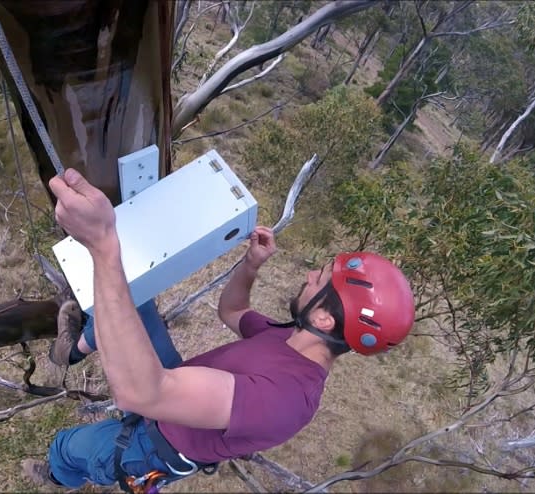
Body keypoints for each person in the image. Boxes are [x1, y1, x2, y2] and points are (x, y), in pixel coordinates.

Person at [21, 168, 415, 492]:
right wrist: (251, 265)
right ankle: (73, 350)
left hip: (154, 444)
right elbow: (234, 309)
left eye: (320, 280)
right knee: (131, 296)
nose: (311, 275)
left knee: (65, 447)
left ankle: (58, 477)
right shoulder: (292, 340)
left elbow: (140, 393)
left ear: (326, 319)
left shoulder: (289, 399)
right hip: (176, 385)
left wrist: (103, 244)